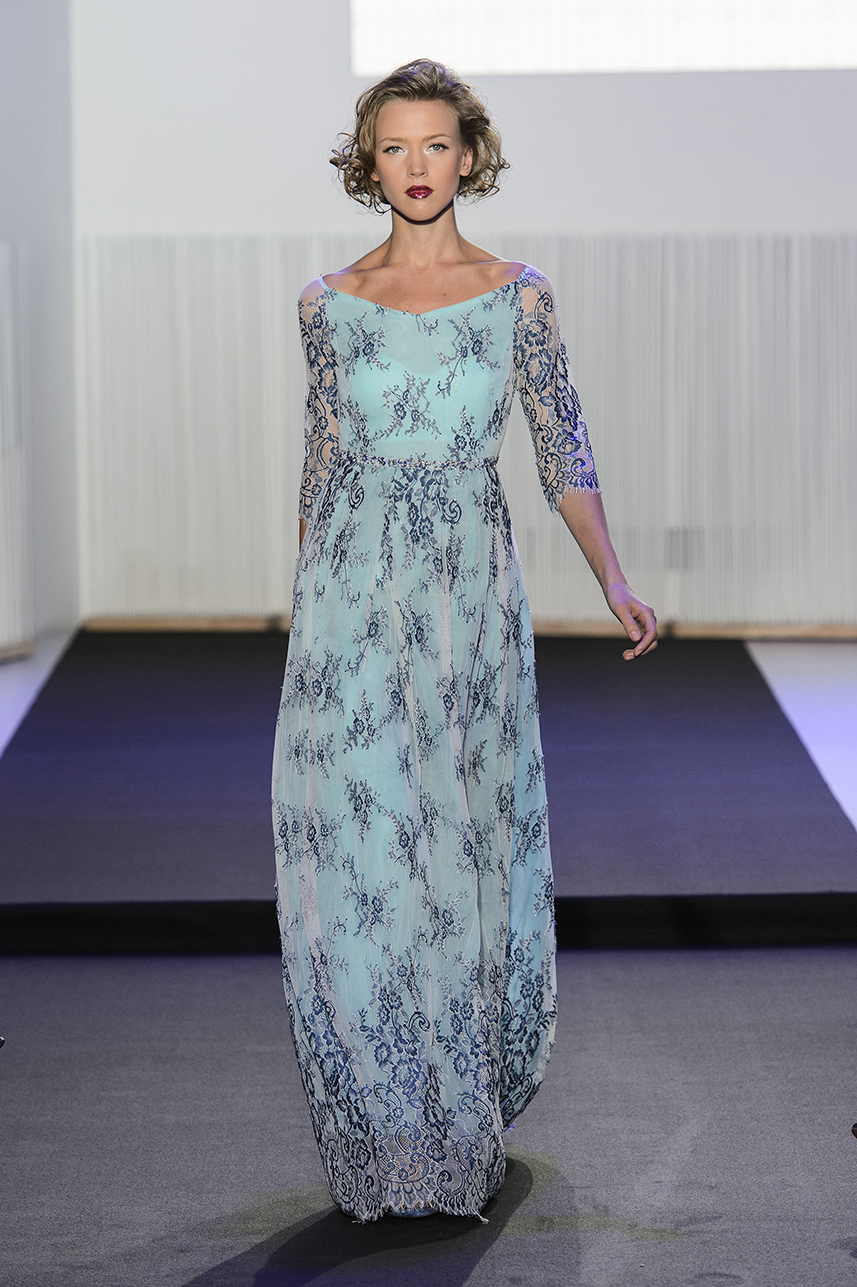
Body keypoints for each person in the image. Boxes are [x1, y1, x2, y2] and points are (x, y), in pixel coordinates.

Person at [272, 58, 657, 1224]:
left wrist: (611, 576)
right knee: (363, 852)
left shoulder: (516, 298)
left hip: (464, 610)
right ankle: (382, 1125)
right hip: (350, 606)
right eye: (394, 146)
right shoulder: (325, 305)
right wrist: (302, 614)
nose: (416, 165)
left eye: (435, 144)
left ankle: (457, 1116)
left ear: (468, 155)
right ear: (367, 162)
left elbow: (559, 443)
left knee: (458, 849)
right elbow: (322, 459)